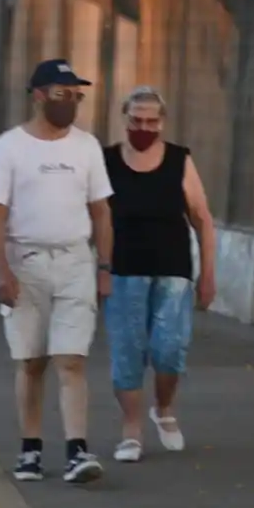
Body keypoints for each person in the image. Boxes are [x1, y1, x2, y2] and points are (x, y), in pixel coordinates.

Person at [0, 58, 114, 485]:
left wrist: (105, 266)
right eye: (62, 93)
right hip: (26, 263)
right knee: (32, 361)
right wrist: (2, 271)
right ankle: (31, 450)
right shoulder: (10, 148)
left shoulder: (87, 147)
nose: (71, 101)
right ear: (39, 96)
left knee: (71, 358)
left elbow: (101, 211)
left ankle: (77, 451)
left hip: (75, 260)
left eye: (76, 94)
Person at [101, 87, 216, 463]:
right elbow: (93, 217)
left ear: (162, 122)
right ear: (125, 119)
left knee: (169, 348)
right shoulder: (107, 161)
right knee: (127, 351)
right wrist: (96, 267)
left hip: (173, 271)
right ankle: (131, 431)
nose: (144, 127)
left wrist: (208, 274)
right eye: (137, 120)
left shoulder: (180, 161)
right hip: (123, 271)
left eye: (152, 121)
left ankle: (164, 408)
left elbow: (202, 218)